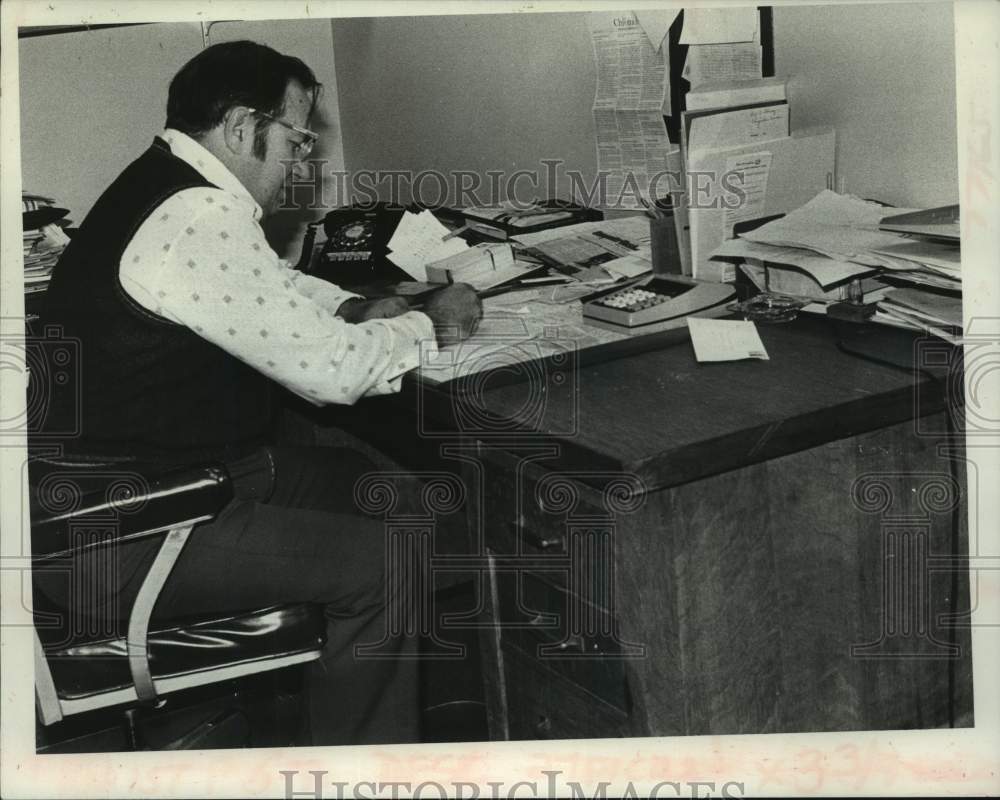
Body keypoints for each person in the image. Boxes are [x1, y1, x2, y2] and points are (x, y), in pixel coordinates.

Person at [36, 40, 481, 745]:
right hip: (123, 530)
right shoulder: (196, 217)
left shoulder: (171, 184)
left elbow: (264, 283)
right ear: (243, 129)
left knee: (394, 491)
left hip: (156, 485)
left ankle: (407, 695)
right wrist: (432, 323)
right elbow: (332, 374)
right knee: (388, 562)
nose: (304, 162)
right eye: (297, 139)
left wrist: (347, 306)